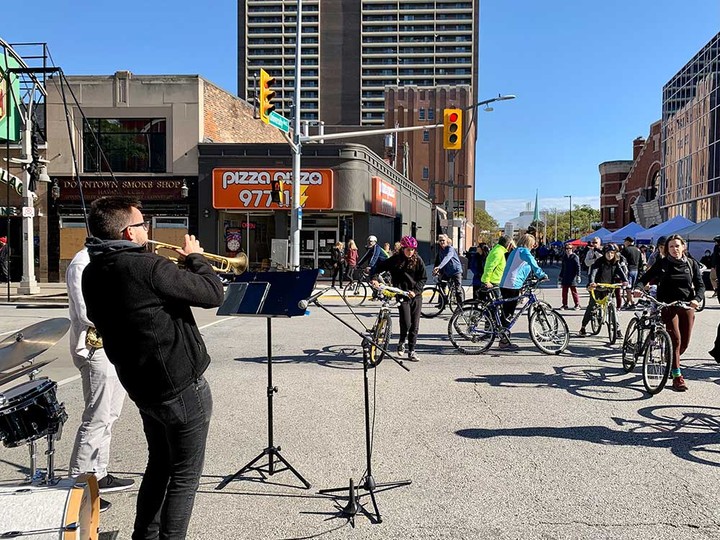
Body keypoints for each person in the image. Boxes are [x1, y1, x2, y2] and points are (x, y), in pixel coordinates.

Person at [81, 196, 224, 539]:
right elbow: (213, 294)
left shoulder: (92, 271)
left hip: (143, 387)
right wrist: (196, 259)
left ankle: (143, 536)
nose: (148, 229)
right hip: (180, 386)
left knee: (159, 465)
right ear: (128, 233)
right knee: (185, 476)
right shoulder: (148, 267)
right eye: (142, 224)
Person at [67, 247, 133, 514]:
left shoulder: (109, 261)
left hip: (115, 345)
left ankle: (99, 474)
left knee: (110, 415)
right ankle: (78, 487)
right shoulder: (83, 262)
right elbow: (86, 313)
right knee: (96, 418)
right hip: (96, 348)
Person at [634, 234, 703, 391]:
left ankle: (670, 356)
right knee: (676, 339)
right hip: (667, 305)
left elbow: (700, 285)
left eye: (677, 246)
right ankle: (677, 376)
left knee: (684, 342)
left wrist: (697, 299)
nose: (674, 249)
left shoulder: (691, 264)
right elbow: (644, 278)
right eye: (671, 247)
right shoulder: (662, 263)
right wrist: (638, 288)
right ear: (667, 249)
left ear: (683, 247)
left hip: (686, 305)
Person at [371, 235, 426, 362]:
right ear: (402, 248)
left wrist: (416, 291)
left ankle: (412, 350)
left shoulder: (418, 260)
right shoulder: (395, 260)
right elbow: (379, 267)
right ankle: (402, 341)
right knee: (406, 322)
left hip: (415, 296)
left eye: (412, 249)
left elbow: (423, 278)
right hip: (402, 294)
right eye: (408, 249)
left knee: (415, 325)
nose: (410, 252)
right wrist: (374, 278)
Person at [498, 234, 547, 349]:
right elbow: (532, 263)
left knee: (506, 311)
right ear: (529, 243)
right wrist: (541, 275)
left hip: (506, 283)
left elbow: (520, 268)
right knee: (509, 313)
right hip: (512, 284)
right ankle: (503, 340)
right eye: (532, 244)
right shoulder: (524, 251)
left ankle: (502, 335)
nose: (533, 246)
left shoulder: (515, 251)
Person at [578, 244, 628, 337]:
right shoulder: (598, 262)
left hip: (608, 288)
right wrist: (592, 283)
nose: (610, 255)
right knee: (592, 307)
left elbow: (621, 272)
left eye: (612, 253)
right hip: (597, 287)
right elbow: (593, 273)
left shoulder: (616, 263)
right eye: (608, 253)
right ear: (604, 253)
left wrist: (625, 281)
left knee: (613, 308)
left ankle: (617, 329)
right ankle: (583, 327)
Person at [433, 234, 463, 307]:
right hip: (447, 272)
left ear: (446, 241)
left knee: (458, 289)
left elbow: (447, 258)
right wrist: (436, 270)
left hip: (456, 271)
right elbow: (438, 260)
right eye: (440, 241)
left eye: (443, 240)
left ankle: (460, 306)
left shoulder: (450, 249)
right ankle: (442, 303)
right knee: (441, 285)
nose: (442, 242)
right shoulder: (440, 250)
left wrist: (439, 267)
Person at [480, 236, 510, 301]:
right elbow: (489, 267)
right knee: (499, 303)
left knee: (497, 304)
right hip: (493, 281)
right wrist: (486, 281)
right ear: (508, 244)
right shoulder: (498, 252)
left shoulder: (499, 250)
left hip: (496, 280)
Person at [620, 237, 642, 309]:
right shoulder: (638, 250)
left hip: (628, 270)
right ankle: (627, 302)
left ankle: (632, 303)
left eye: (625, 241)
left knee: (628, 288)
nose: (624, 243)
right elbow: (641, 262)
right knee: (631, 287)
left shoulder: (625, 250)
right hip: (636, 270)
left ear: (628, 242)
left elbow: (621, 261)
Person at [559, 243, 581, 310]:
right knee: (564, 292)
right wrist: (560, 276)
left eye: (570, 248)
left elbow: (578, 266)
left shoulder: (575, 257)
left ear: (572, 249)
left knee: (574, 291)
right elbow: (563, 267)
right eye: (567, 248)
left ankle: (577, 304)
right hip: (565, 276)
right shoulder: (565, 257)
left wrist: (578, 275)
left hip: (572, 277)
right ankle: (564, 305)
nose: (568, 250)